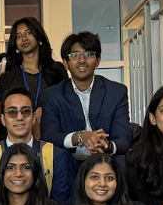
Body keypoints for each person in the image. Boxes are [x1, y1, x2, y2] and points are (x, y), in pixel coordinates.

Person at [40, 33, 133, 165]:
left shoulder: (116, 92)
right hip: (69, 163)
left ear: (98, 60)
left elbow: (123, 139)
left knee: (121, 161)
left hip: (106, 162)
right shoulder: (53, 95)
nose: (82, 60)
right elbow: (48, 136)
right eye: (75, 55)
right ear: (65, 63)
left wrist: (107, 146)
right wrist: (79, 137)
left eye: (88, 54)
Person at [0, 88, 74, 205]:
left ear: (34, 117)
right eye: (12, 112)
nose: (19, 117)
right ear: (3, 120)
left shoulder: (55, 155)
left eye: (25, 111)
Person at [0, 17, 68, 117]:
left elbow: (64, 104)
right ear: (15, 44)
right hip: (20, 128)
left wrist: (43, 109)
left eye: (28, 33)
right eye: (18, 36)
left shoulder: (57, 71)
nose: (24, 38)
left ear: (38, 36)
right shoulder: (8, 78)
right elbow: (7, 113)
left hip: (53, 127)